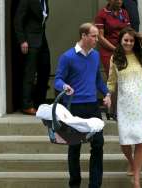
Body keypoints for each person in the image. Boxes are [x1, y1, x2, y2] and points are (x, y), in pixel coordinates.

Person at [54, 23, 111, 188]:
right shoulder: (68, 57)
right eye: (94, 36)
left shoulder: (95, 56)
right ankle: (74, 184)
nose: (97, 39)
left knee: (98, 144)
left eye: (97, 36)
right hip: (74, 107)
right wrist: (65, 86)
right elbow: (58, 80)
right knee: (74, 147)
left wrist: (107, 94)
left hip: (92, 106)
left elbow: (98, 80)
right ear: (84, 36)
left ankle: (95, 185)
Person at [107, 27, 142, 188]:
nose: (128, 43)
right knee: (125, 141)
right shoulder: (115, 58)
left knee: (140, 141)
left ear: (135, 42)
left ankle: (136, 178)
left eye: (131, 40)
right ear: (121, 41)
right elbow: (111, 82)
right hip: (124, 105)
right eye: (126, 40)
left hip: (140, 104)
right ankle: (132, 162)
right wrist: (107, 96)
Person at [14, 0, 51, 115]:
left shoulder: (44, 0)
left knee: (45, 69)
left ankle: (40, 102)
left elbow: (42, 19)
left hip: (41, 39)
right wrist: (22, 40)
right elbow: (18, 20)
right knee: (30, 73)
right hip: (30, 40)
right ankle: (26, 105)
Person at [94, 0, 131, 76]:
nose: (119, 1)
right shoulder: (101, 14)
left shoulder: (124, 12)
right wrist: (115, 49)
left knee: (126, 76)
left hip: (124, 49)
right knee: (113, 79)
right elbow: (100, 37)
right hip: (108, 51)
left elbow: (129, 32)